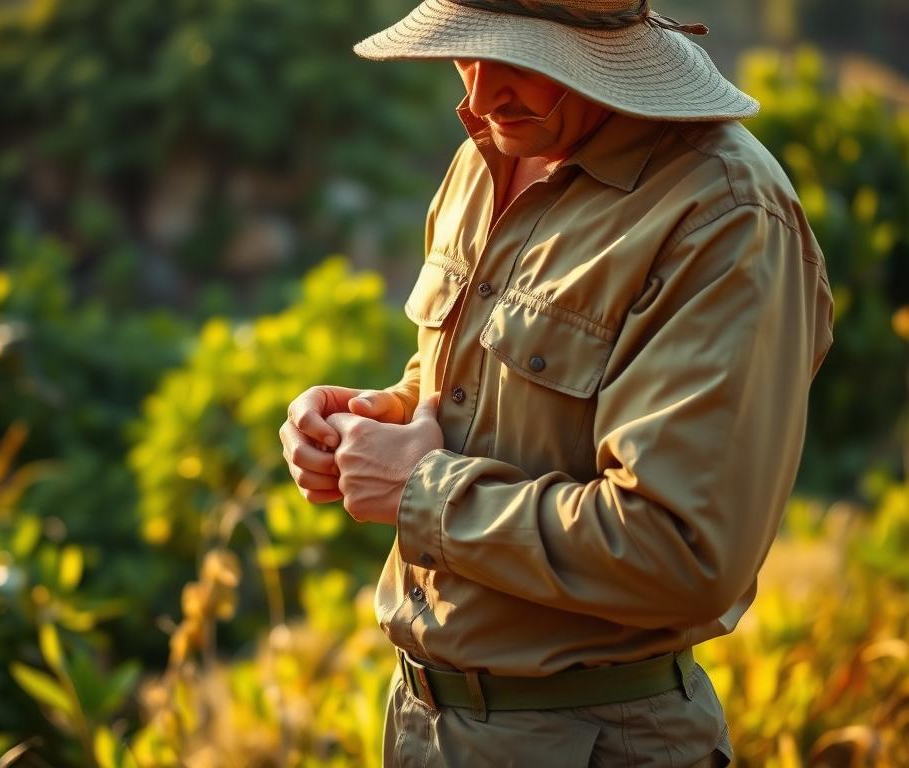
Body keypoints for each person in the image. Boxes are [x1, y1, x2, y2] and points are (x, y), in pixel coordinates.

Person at [278, 1, 835, 765]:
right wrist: (376, 417)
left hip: (595, 739)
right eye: (465, 54)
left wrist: (419, 490)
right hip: (423, 726)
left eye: (519, 61)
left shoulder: (724, 217)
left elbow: (683, 552)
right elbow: (477, 383)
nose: (477, 96)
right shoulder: (491, 152)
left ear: (604, 52)